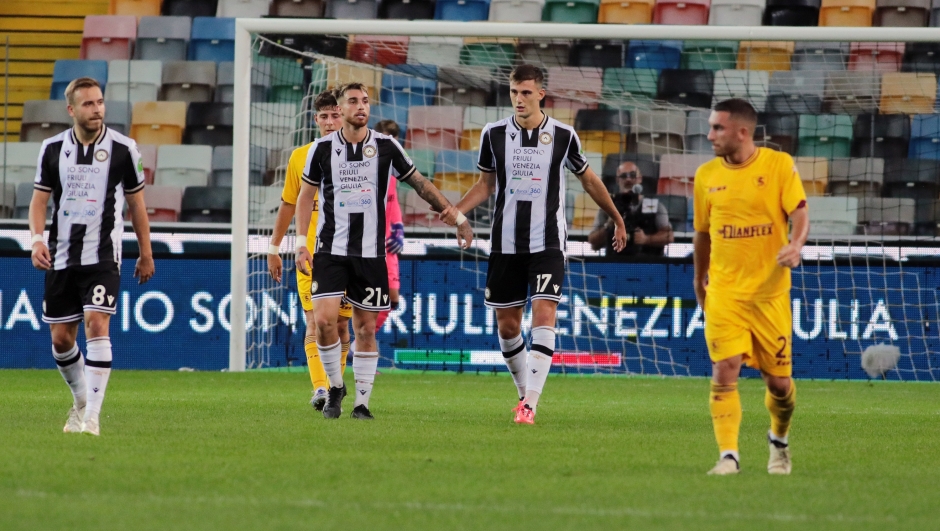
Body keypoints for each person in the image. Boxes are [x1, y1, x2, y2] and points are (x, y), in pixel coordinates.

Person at [453, 64, 628, 425]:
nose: (519, 99)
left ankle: (530, 404)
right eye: (515, 92)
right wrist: (457, 214)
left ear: (541, 94)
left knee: (544, 314)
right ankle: (523, 394)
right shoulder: (494, 133)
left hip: (548, 242)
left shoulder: (563, 135)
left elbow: (590, 180)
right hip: (505, 243)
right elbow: (486, 185)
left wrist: (617, 217)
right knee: (507, 326)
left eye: (526, 92)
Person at [295, 82, 472, 420]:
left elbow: (419, 183)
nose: (360, 106)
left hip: (371, 254)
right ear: (341, 109)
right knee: (323, 322)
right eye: (352, 101)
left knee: (364, 329)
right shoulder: (321, 149)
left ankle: (361, 404)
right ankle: (335, 388)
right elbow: (305, 196)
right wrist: (301, 243)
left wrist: (456, 216)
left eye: (365, 101)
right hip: (330, 250)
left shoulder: (387, 147)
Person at [29, 77, 155, 436]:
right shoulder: (52, 149)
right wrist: (37, 240)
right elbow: (39, 201)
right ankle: (81, 401)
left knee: (97, 324)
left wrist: (146, 253)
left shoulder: (123, 148)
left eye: (100, 102)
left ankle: (93, 418)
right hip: (62, 256)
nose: (97, 109)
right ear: (71, 110)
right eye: (88, 104)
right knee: (61, 339)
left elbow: (137, 204)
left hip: (102, 255)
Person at [693, 98, 809, 475]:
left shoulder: (778, 166)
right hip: (725, 292)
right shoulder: (706, 176)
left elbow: (800, 211)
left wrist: (796, 244)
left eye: (717, 128)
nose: (710, 135)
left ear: (742, 132)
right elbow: (702, 234)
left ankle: (779, 441)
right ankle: (729, 456)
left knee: (778, 384)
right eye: (711, 127)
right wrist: (699, 279)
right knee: (724, 368)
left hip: (769, 294)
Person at [268, 90, 355, 411]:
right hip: (312, 254)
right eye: (324, 117)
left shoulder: (358, 154)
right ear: (315, 120)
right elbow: (289, 204)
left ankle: (335, 386)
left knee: (342, 325)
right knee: (316, 322)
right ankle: (322, 388)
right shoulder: (300, 157)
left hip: (351, 252)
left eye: (335, 115)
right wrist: (274, 247)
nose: (330, 122)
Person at [588, 161, 673, 257]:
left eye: (632, 175)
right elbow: (593, 243)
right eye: (623, 176)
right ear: (617, 180)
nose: (628, 179)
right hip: (615, 265)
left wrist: (647, 239)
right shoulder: (608, 206)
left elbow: (669, 236)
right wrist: (609, 225)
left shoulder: (654, 206)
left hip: (648, 264)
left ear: (640, 178)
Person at [372, 119, 405, 331]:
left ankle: (359, 347)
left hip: (388, 244)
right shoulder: (368, 168)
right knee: (367, 302)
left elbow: (393, 201)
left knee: (392, 299)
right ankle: (356, 347)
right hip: (369, 244)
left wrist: (399, 227)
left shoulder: (394, 170)